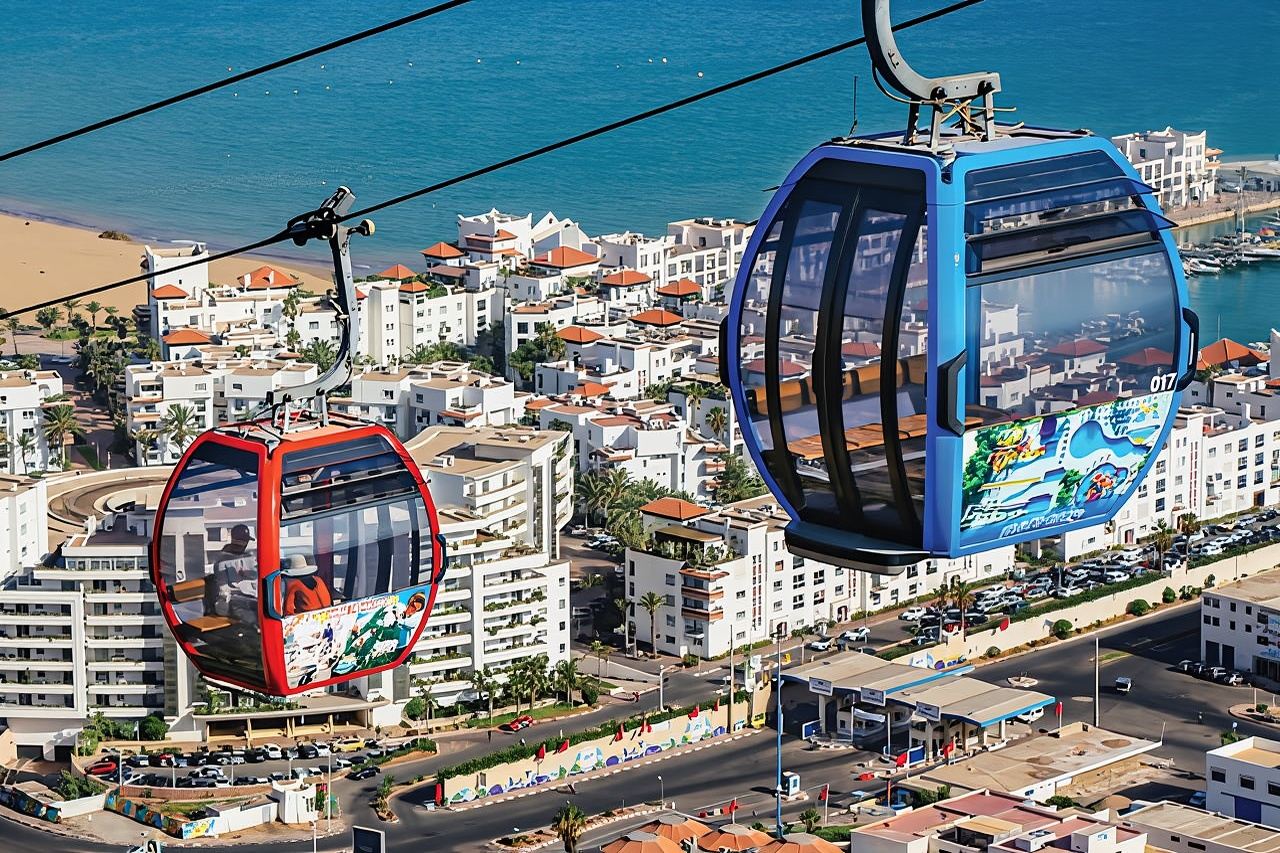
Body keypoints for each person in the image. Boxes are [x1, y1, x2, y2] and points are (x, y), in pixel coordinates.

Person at [210, 523, 258, 626]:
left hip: (250, 599)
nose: (245, 545)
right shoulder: (223, 561)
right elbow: (223, 588)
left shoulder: (248, 557)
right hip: (234, 603)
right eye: (244, 542)